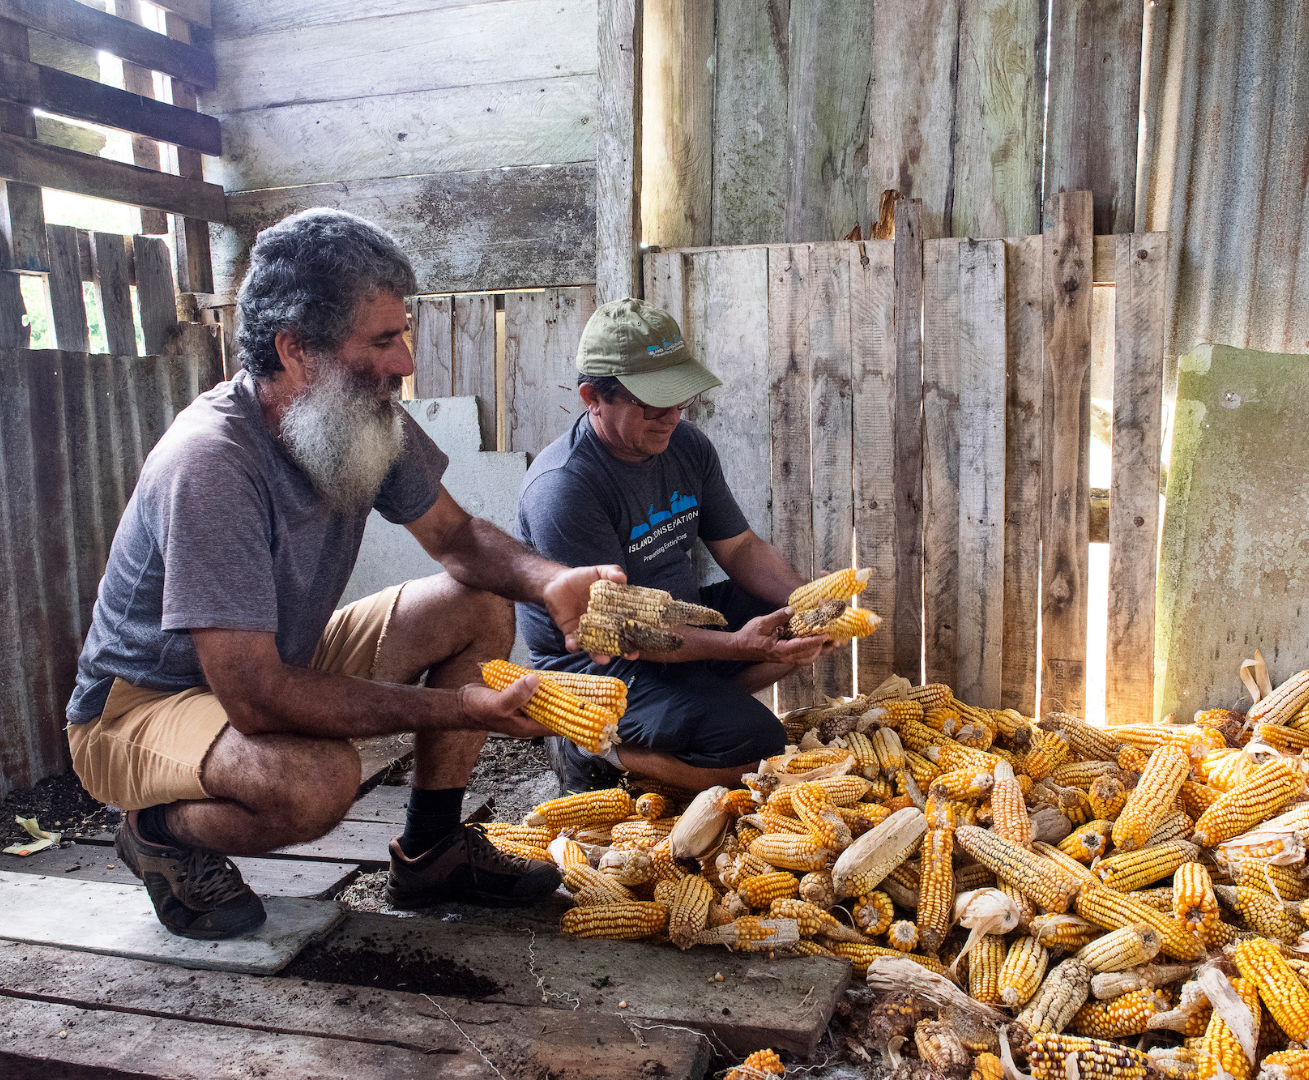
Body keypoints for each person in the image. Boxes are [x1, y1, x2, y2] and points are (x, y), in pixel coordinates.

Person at [65, 208, 624, 941]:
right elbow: (259, 698)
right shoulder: (211, 463)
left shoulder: (363, 414)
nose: (405, 362)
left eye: (403, 334)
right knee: (315, 782)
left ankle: (431, 850)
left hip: (268, 660)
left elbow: (456, 538)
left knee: (482, 602)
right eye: (383, 339)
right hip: (138, 709)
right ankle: (157, 832)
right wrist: (458, 708)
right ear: (297, 351)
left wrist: (550, 579)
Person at [516, 299, 840, 795]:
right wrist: (734, 644)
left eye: (679, 399)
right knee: (760, 744)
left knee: (787, 609)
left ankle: (696, 712)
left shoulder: (687, 446)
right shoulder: (564, 488)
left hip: (678, 620)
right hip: (603, 663)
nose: (670, 416)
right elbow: (620, 630)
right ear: (592, 398)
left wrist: (807, 602)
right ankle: (593, 747)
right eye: (650, 402)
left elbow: (741, 549)